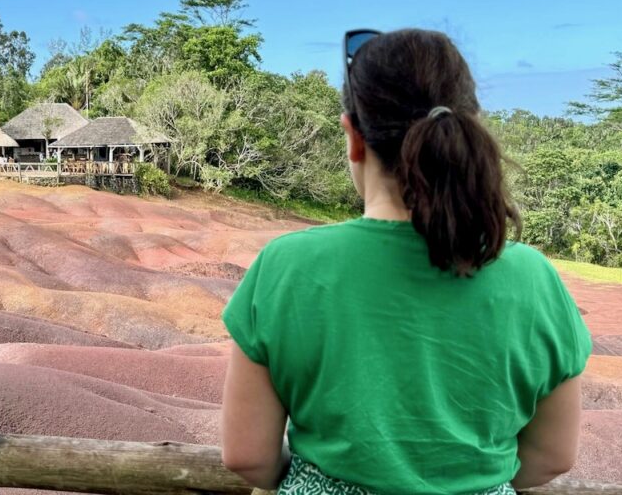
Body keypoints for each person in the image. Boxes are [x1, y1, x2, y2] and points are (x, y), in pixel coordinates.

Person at [220, 29, 591, 495]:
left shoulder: (286, 266)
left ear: (353, 137)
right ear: (468, 130)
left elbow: (247, 457)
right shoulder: (534, 278)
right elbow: (554, 456)